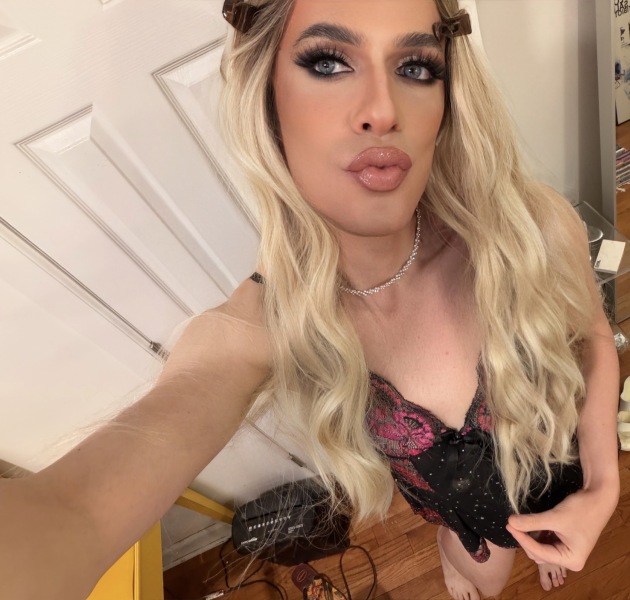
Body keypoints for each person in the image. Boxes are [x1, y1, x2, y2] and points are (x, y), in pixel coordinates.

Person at [0, 1, 620, 599]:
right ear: (266, 96)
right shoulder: (271, 325)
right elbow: (74, 513)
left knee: (547, 539)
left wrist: (601, 483)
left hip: (557, 471)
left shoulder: (529, 229)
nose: (382, 110)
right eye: (327, 62)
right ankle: (452, 547)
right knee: (486, 577)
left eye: (415, 66)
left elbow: (592, 335)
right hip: (461, 513)